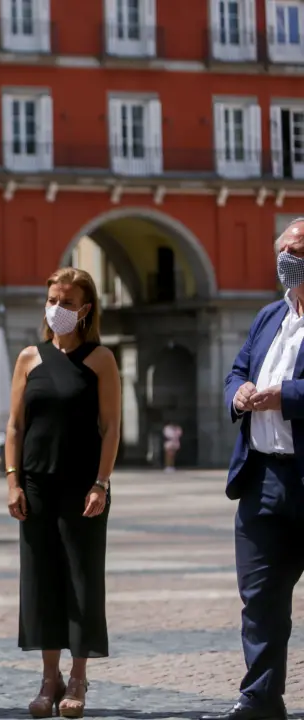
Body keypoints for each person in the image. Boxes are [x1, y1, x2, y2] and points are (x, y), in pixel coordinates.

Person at [5, 267, 120, 719]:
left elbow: (111, 427)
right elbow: (15, 426)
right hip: (35, 485)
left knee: (82, 580)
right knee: (41, 580)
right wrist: (12, 481)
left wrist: (101, 483)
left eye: (67, 302)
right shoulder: (28, 357)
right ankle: (48, 678)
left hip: (83, 486)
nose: (57, 308)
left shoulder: (100, 359)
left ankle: (77, 677)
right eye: (53, 300)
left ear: (85, 309)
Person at [204, 218, 304, 720]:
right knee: (259, 597)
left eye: (299, 250)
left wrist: (285, 396)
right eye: (285, 249)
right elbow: (237, 370)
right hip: (261, 477)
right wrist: (239, 393)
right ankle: (261, 699)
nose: (289, 258)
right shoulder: (269, 316)